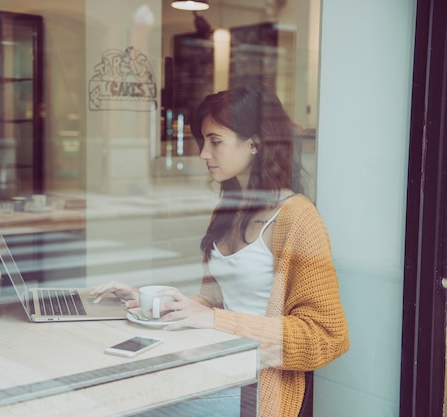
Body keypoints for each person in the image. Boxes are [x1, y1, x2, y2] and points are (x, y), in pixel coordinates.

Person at [91, 82, 349, 417]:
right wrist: (149, 300)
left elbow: (326, 336)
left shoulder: (297, 217)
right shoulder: (229, 209)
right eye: (203, 141)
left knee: (127, 403)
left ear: (255, 143)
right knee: (118, 391)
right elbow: (213, 304)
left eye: (215, 141)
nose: (203, 154)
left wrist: (214, 319)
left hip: (254, 387)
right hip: (218, 369)